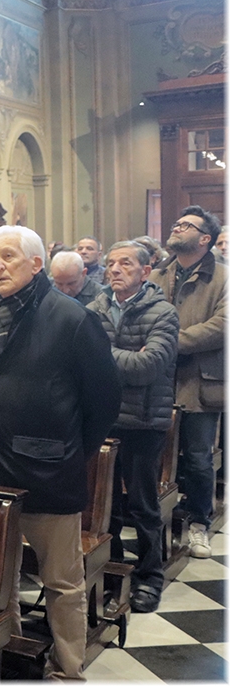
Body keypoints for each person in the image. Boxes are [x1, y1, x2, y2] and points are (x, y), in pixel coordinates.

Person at [0, 225, 119, 680]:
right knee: (0, 577)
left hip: (48, 468)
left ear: (36, 264)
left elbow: (104, 400)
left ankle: (67, 668)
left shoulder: (71, 317)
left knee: (62, 580)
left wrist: (70, 450)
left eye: (8, 256)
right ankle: (10, 652)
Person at [87, 241, 179, 612]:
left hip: (143, 421)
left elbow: (147, 367)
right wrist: (124, 357)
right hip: (103, 418)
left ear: (145, 271)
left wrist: (100, 354)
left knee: (142, 505)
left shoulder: (163, 312)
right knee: (104, 506)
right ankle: (112, 571)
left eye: (125, 263)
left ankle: (149, 577)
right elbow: (78, 359)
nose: (115, 269)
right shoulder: (94, 308)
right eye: (111, 263)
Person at [149, 206, 226, 559]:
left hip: (199, 381)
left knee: (196, 457)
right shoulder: (159, 274)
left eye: (186, 225)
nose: (177, 227)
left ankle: (199, 522)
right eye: (177, 223)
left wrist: (170, 342)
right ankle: (154, 520)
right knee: (155, 454)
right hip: (158, 379)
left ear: (205, 238)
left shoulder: (222, 277)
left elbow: (222, 325)